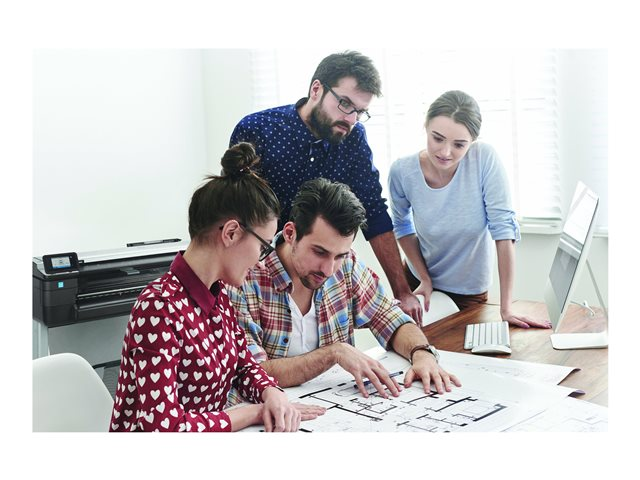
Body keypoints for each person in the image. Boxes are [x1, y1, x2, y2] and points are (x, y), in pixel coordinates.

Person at [108, 143, 325, 432]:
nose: (262, 262)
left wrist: (271, 392)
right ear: (231, 233)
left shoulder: (218, 296)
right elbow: (163, 427)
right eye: (263, 247)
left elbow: (244, 366)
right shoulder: (157, 308)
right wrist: (252, 413)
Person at [229, 50, 423, 323]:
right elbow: (234, 215)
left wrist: (402, 291)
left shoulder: (354, 138)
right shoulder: (259, 129)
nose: (351, 119)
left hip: (322, 276)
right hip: (258, 280)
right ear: (316, 89)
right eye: (345, 103)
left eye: (360, 111)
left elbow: (374, 211)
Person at [227, 178, 461, 401]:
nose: (329, 269)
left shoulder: (347, 266)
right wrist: (334, 353)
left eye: (339, 255)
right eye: (319, 252)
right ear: (290, 234)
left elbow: (390, 317)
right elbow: (251, 372)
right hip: (272, 415)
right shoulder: (243, 279)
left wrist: (422, 354)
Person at [388, 90, 551, 329]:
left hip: (469, 291)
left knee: (467, 349)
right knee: (414, 347)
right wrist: (424, 277)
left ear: (472, 141)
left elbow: (503, 229)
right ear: (426, 126)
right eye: (437, 138)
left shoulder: (483, 159)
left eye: (459, 144)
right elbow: (402, 225)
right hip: (419, 282)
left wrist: (506, 308)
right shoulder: (402, 171)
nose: (445, 152)